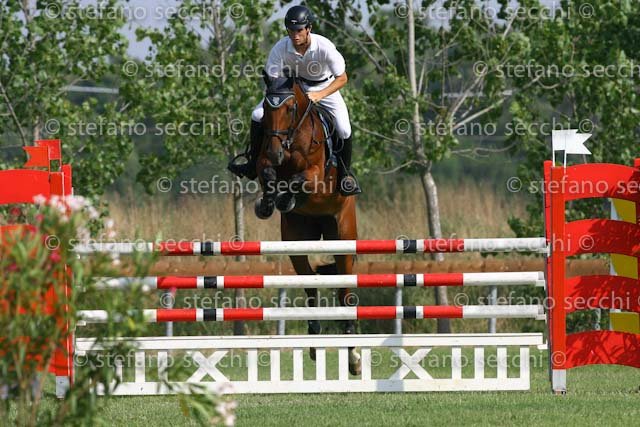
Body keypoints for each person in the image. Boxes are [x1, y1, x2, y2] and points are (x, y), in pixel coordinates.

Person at [227, 4, 361, 196]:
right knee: (257, 114)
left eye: (299, 30)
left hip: (325, 88)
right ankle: (252, 162)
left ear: (309, 29)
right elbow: (273, 80)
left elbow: (343, 78)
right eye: (291, 30)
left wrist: (320, 95)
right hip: (292, 88)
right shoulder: (281, 48)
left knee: (344, 128)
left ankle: (344, 176)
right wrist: (278, 97)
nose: (295, 35)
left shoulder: (324, 47)